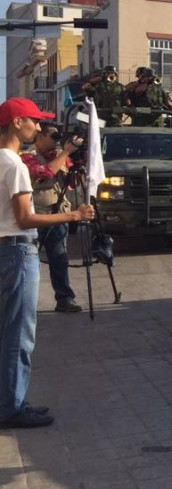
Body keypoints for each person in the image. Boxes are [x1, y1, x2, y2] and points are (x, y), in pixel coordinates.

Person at [0, 98, 95, 428]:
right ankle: (11, 407)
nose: (39, 128)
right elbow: (25, 219)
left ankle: (10, 400)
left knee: (8, 331)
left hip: (5, 249)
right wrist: (73, 214)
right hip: (16, 250)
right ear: (16, 123)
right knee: (18, 335)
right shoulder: (13, 164)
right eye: (34, 121)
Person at [20, 124, 83, 313]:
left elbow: (71, 185)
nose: (56, 140)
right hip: (36, 216)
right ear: (39, 136)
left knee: (59, 258)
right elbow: (44, 174)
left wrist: (77, 168)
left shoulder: (60, 155)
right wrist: (64, 153)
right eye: (53, 136)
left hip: (58, 215)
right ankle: (24, 301)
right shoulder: (27, 156)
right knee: (29, 261)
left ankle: (64, 298)